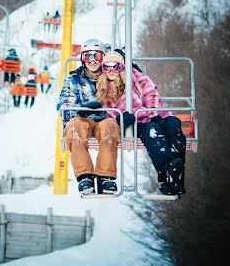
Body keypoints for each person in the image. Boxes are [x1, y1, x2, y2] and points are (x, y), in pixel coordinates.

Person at [99, 51, 187, 196]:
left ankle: (174, 181)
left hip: (156, 113)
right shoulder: (104, 87)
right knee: (153, 132)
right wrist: (121, 119)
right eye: (106, 67)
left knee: (174, 128)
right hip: (139, 121)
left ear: (121, 66)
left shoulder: (134, 76)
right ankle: (167, 173)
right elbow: (108, 110)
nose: (111, 71)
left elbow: (150, 92)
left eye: (114, 66)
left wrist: (154, 112)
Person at [57, 38, 121, 195]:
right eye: (88, 57)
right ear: (82, 59)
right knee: (74, 128)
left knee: (109, 128)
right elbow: (63, 104)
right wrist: (80, 110)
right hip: (82, 119)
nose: (92, 61)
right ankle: (85, 176)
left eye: (96, 57)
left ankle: (104, 177)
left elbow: (121, 100)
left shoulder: (111, 77)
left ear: (103, 58)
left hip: (104, 119)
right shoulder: (74, 79)